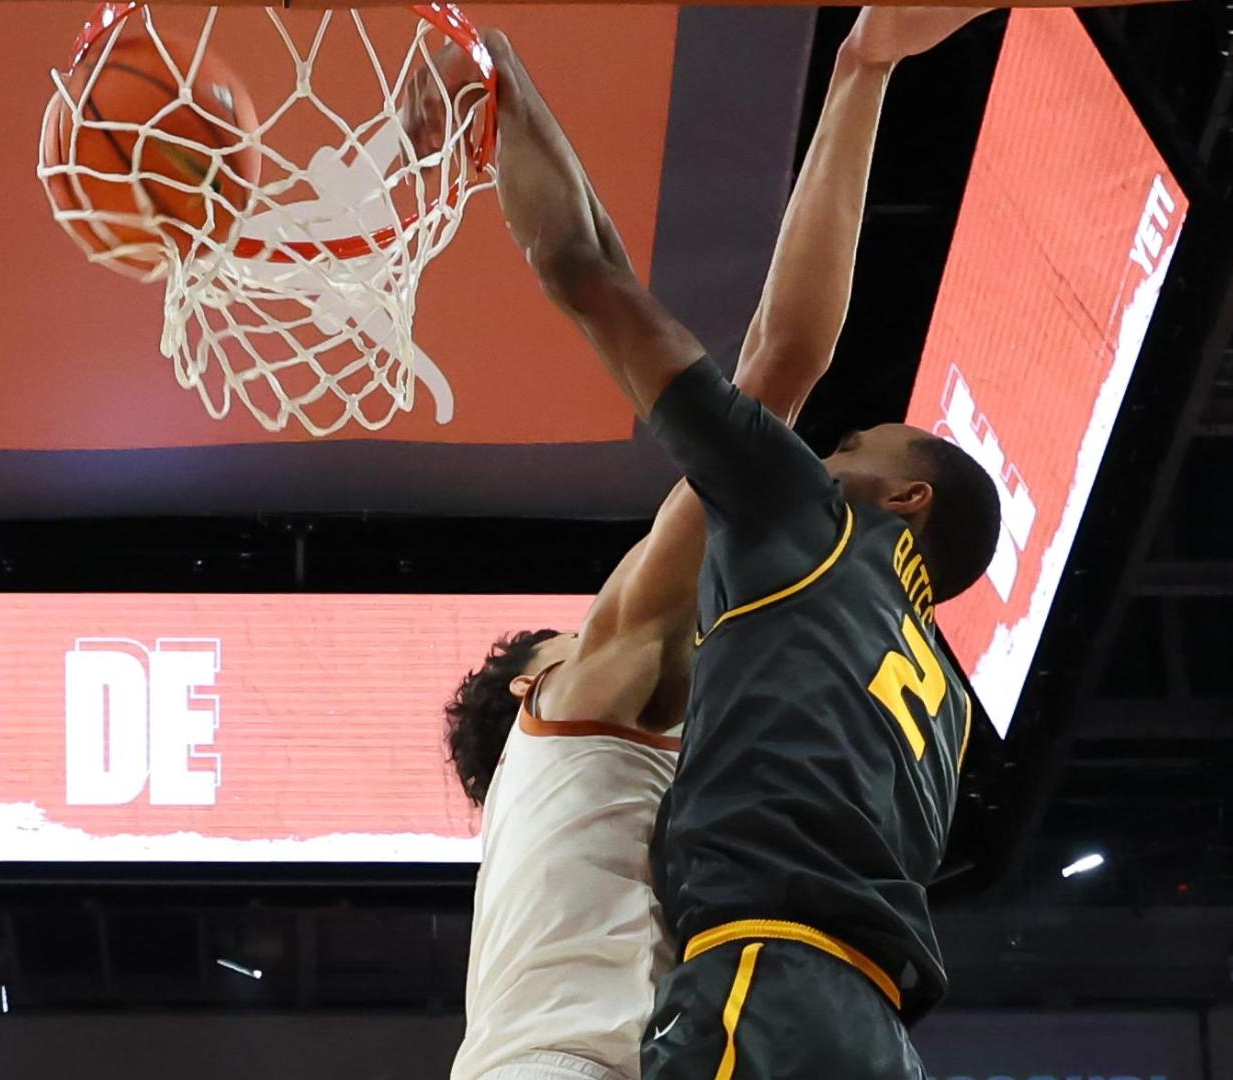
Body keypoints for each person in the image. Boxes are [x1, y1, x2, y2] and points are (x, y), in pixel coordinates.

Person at [431, 9, 993, 1080]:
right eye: (581, 626)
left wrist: (507, 87)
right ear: (531, 693)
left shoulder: (692, 748)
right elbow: (766, 360)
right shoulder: (584, 703)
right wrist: (494, 77)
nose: (646, 616)